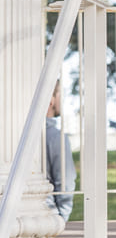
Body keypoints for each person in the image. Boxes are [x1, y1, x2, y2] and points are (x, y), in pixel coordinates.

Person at [45, 80, 75, 222]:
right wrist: (62, 217)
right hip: (49, 215)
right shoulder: (56, 137)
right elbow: (65, 183)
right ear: (51, 100)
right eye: (60, 95)